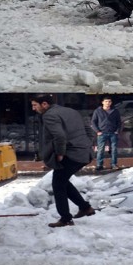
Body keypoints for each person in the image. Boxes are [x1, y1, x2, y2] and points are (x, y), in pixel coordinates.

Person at [31, 94, 96, 228]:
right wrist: (86, 144)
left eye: (35, 105)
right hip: (84, 153)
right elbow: (89, 130)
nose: (33, 108)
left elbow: (59, 136)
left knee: (58, 184)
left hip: (71, 154)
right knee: (62, 181)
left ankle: (66, 218)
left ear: (44, 104)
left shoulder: (48, 115)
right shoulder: (70, 111)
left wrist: (60, 153)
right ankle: (85, 207)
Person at [91, 96, 122, 171]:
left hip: (113, 133)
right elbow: (93, 122)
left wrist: (117, 130)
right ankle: (99, 165)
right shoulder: (97, 111)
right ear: (102, 102)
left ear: (111, 103)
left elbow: (119, 122)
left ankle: (114, 164)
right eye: (106, 101)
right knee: (100, 149)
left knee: (114, 149)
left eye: (109, 101)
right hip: (102, 133)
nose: (107, 103)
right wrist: (98, 131)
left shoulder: (115, 111)